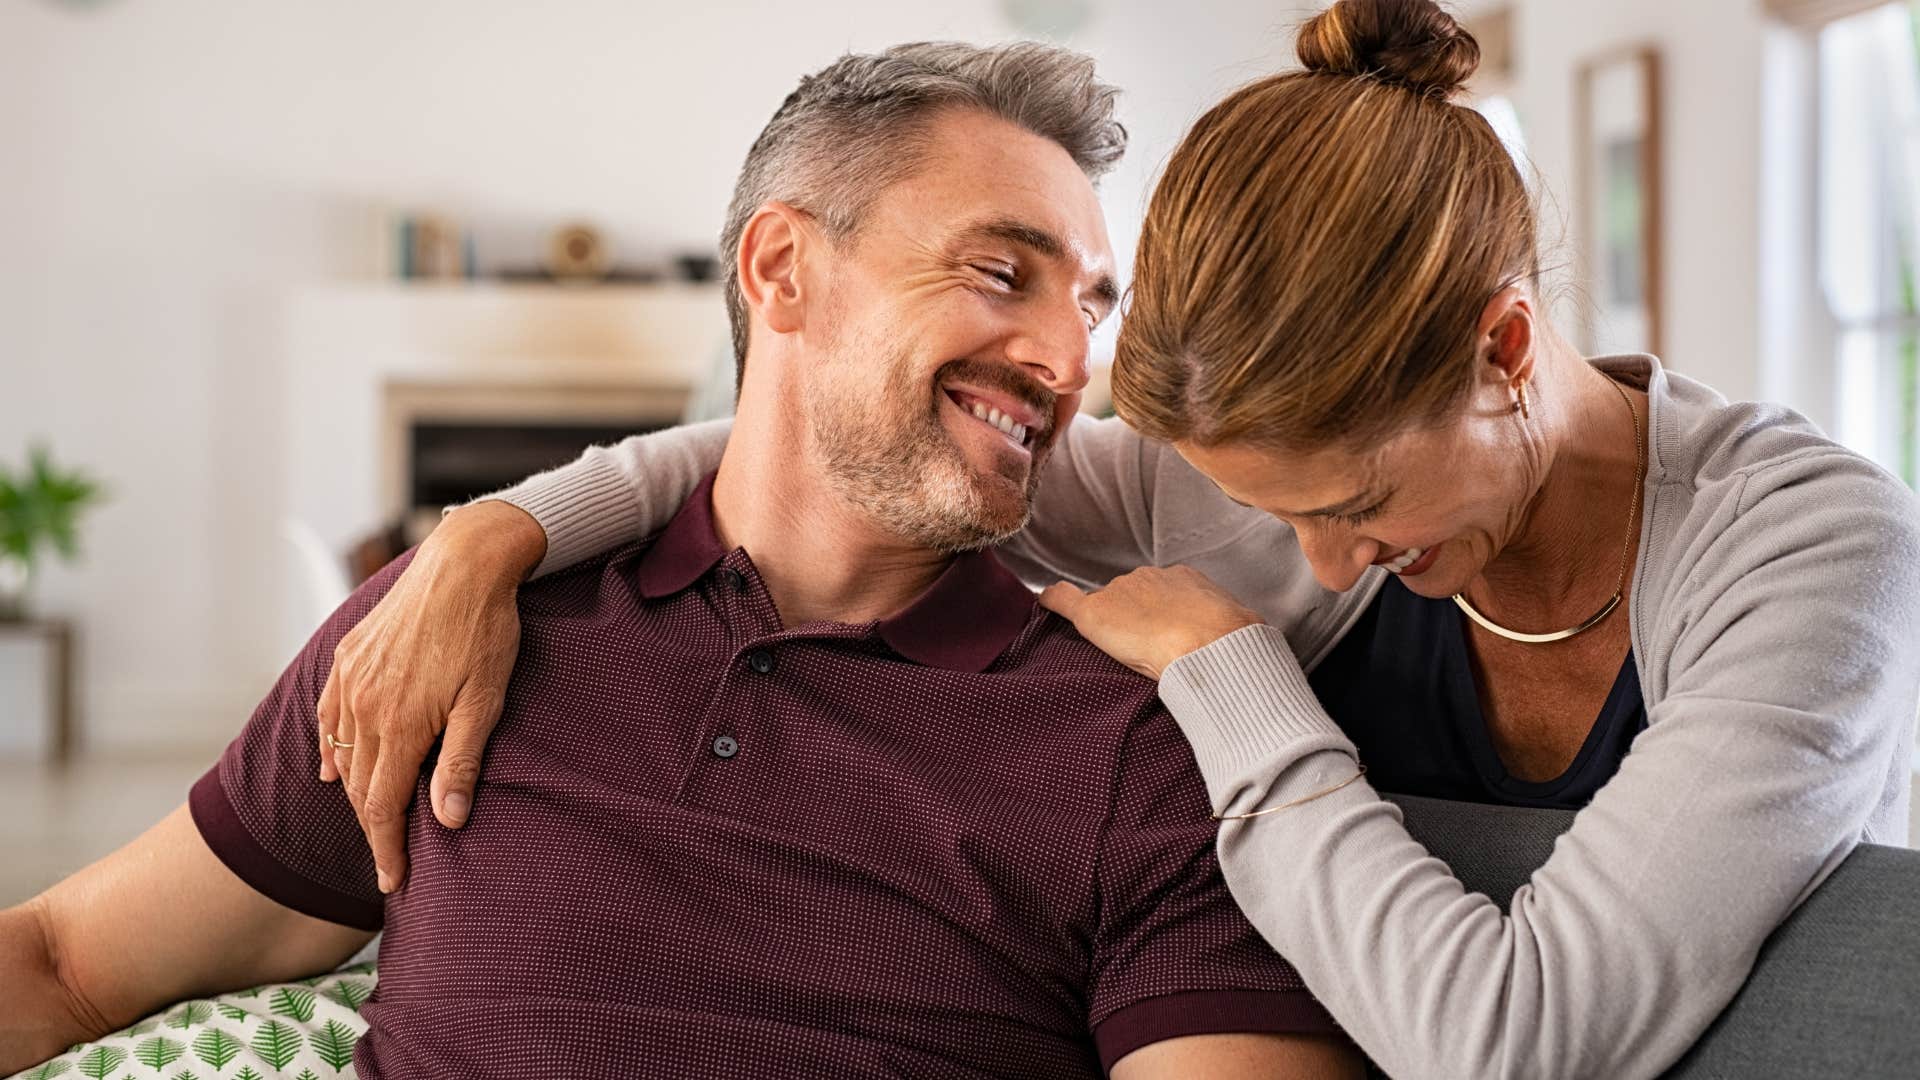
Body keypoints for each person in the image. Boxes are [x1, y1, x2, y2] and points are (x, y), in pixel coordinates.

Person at [316, 2, 1920, 1078]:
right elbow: (815, 453)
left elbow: (1514, 1037)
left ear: (1507, 348)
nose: (1326, 558)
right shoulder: (1202, 491)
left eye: (1354, 505)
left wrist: (1232, 675)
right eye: (1279, 508)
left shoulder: (1806, 551)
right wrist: (495, 534)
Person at [0, 42, 1365, 1080]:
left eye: (1088, 305)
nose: (1071, 364)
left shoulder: (1135, 742)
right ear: (781, 272)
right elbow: (63, 963)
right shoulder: (457, 633)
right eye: (1002, 274)